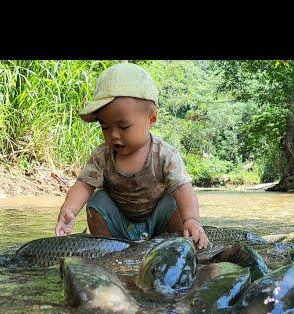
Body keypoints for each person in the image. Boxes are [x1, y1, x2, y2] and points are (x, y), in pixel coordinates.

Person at [54, 63, 209, 249]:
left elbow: (184, 189)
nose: (114, 135)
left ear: (151, 119)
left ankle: (174, 248)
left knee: (173, 201)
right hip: (119, 225)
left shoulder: (164, 155)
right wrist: (69, 210)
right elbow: (84, 185)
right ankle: (108, 250)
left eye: (124, 126)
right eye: (105, 127)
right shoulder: (102, 156)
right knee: (97, 201)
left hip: (158, 223)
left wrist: (192, 219)